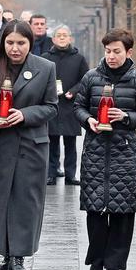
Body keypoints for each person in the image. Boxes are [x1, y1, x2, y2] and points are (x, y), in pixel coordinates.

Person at [0, 20, 58, 270]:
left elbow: (52, 106)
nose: (15, 48)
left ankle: (18, 256)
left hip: (30, 143)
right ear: (3, 43)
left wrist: (25, 114)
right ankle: (5, 251)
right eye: (10, 43)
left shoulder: (45, 68)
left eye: (21, 43)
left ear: (30, 44)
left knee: (24, 200)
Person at [74, 28, 136, 270]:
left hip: (125, 154)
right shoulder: (90, 78)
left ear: (128, 52)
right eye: (108, 51)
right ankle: (96, 262)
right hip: (95, 152)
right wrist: (89, 121)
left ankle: (114, 265)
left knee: (123, 212)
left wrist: (126, 117)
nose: (111, 56)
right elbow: (78, 107)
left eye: (116, 51)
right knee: (95, 210)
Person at [43, 25, 89, 185]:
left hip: (70, 106)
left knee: (70, 143)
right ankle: (51, 173)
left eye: (65, 35)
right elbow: (40, 79)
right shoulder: (45, 57)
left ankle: (71, 175)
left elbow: (85, 79)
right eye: (59, 35)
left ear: (70, 38)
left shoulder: (79, 58)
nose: (62, 38)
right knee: (51, 142)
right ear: (53, 39)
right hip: (52, 105)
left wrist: (74, 91)